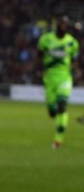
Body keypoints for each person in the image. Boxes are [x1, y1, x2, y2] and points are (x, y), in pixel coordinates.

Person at [37, 14, 79, 149]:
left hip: (64, 78)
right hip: (49, 78)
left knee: (62, 105)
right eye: (61, 23)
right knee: (52, 112)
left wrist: (76, 73)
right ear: (57, 25)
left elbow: (75, 60)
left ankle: (58, 140)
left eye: (65, 24)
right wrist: (39, 71)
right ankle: (55, 113)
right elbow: (39, 56)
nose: (63, 26)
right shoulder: (46, 40)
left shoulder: (72, 43)